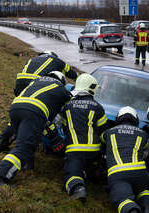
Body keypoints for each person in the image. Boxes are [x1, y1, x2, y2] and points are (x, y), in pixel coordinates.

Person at [0, 71, 72, 185]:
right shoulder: (60, 87)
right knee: (24, 147)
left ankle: (26, 164)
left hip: (16, 107)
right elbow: (71, 104)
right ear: (61, 80)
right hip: (34, 111)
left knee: (26, 138)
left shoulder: (36, 81)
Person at [0, 50, 78, 153]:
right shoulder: (55, 60)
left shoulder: (33, 59)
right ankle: (30, 140)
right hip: (36, 83)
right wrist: (80, 79)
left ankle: (5, 141)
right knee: (34, 113)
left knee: (22, 112)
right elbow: (71, 72)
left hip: (20, 84)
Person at [61, 73, 109, 201]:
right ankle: (90, 174)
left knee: (70, 172)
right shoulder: (98, 107)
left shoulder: (67, 106)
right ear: (91, 88)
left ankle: (77, 189)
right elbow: (103, 131)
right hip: (94, 150)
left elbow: (65, 128)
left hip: (74, 149)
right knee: (88, 166)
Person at [103, 106, 149, 213]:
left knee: (122, 198)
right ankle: (148, 207)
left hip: (118, 173)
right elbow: (146, 151)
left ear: (118, 118)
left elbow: (103, 144)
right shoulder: (143, 134)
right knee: (143, 190)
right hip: (140, 172)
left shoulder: (108, 132)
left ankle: (132, 210)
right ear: (135, 119)